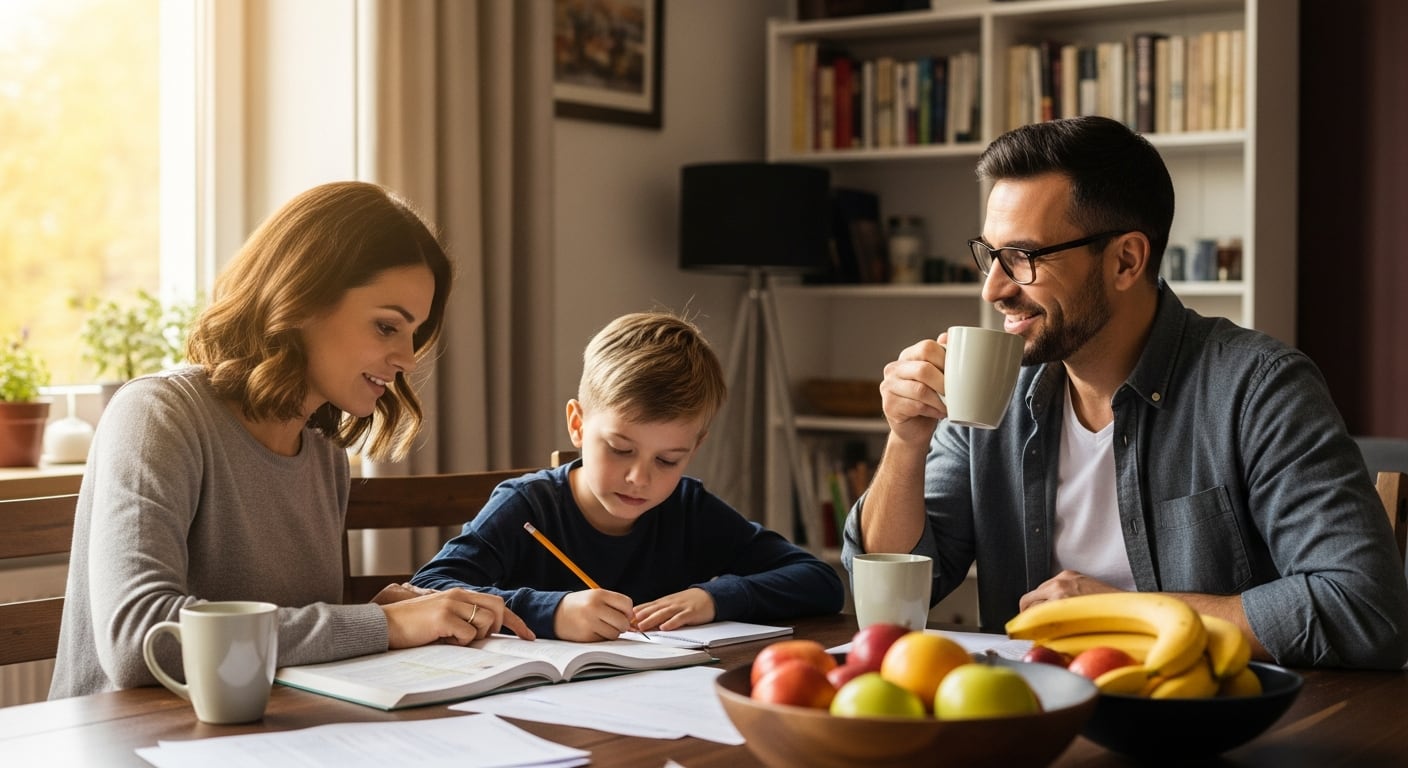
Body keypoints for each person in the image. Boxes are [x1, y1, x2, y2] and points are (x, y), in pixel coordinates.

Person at [844, 116, 1408, 670]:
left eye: (1024, 257)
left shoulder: (1259, 388)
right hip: (1032, 719)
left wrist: (1130, 614)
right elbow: (894, 592)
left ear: (1126, 260)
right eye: (990, 255)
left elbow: (1364, 607)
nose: (994, 288)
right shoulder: (999, 393)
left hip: (1205, 724)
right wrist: (907, 441)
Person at [51, 181, 531, 699]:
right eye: (387, 326)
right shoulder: (157, 416)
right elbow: (140, 639)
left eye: (413, 333)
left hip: (262, 738)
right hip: (128, 742)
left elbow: (295, 633)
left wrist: (375, 616)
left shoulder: (324, 454)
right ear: (303, 299)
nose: (409, 359)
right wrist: (382, 627)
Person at [411, 311, 844, 641]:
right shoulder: (527, 506)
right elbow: (426, 589)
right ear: (578, 425)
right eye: (620, 449)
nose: (640, 478)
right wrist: (553, 611)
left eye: (668, 460)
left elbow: (819, 581)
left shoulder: (687, 510)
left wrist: (713, 598)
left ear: (695, 448)